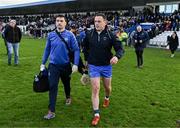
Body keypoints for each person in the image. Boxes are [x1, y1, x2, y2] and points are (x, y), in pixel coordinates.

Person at [82, 13, 124, 126]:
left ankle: (107, 97)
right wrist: (86, 59)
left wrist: (116, 56)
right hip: (93, 66)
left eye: (99, 21)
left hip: (106, 66)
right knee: (95, 88)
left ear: (105, 22)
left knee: (107, 87)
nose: (96, 23)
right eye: (95, 21)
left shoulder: (111, 35)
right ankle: (96, 114)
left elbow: (120, 49)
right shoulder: (89, 34)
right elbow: (84, 46)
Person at [40, 15, 80, 120]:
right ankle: (51, 111)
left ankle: (68, 96)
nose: (59, 23)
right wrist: (43, 63)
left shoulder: (70, 35)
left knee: (66, 83)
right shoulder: (51, 35)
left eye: (61, 21)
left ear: (65, 23)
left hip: (66, 65)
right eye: (57, 21)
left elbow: (76, 50)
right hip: (53, 65)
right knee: (52, 86)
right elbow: (47, 49)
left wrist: (75, 64)